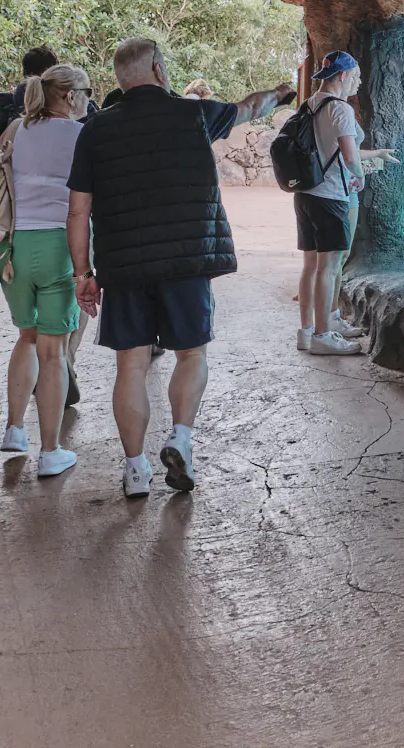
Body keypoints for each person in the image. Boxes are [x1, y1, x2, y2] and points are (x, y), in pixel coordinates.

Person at [67, 37, 292, 498]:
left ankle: (135, 471)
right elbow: (251, 107)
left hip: (123, 264)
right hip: (186, 261)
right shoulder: (194, 114)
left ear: (119, 79)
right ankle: (181, 439)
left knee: (129, 366)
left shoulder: (95, 130)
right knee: (191, 354)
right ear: (158, 68)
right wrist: (281, 92)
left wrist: (83, 273)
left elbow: (77, 210)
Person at [0, 64, 92, 477]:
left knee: (27, 339)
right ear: (70, 96)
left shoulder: (17, 129)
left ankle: (15, 430)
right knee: (53, 350)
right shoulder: (79, 133)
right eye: (87, 91)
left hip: (12, 247)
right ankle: (50, 451)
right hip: (58, 245)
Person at [293, 51, 396, 355]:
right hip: (331, 196)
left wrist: (373, 154)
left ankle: (309, 330)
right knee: (329, 266)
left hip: (307, 194)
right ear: (342, 76)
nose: (357, 82)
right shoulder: (341, 109)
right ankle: (323, 337)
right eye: (356, 76)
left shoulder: (310, 104)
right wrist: (361, 177)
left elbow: (332, 151)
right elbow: (349, 157)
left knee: (311, 266)